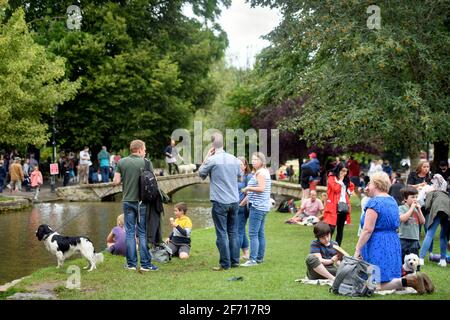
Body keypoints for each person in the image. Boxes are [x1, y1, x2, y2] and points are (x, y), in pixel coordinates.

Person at [354, 172, 434, 294]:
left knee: (372, 285)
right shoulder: (391, 201)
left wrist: (357, 249)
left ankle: (409, 281)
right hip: (392, 242)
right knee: (384, 280)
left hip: (377, 244)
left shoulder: (374, 203)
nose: (367, 186)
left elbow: (367, 230)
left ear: (376, 184)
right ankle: (411, 280)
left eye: (369, 183)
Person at [198, 132, 241, 271]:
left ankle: (225, 264)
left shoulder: (212, 160)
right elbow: (240, 176)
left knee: (222, 233)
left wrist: (206, 158)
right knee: (233, 232)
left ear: (212, 145)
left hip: (220, 201)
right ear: (223, 143)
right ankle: (235, 261)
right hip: (234, 201)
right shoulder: (233, 159)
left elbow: (200, 174)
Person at [113, 139, 158, 271]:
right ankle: (145, 264)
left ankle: (131, 264)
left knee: (129, 232)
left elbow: (116, 181)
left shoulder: (121, 162)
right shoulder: (146, 163)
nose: (145, 152)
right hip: (141, 203)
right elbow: (153, 182)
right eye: (144, 149)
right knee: (142, 233)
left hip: (127, 201)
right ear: (139, 150)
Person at [240, 152, 272, 267]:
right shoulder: (263, 172)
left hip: (257, 207)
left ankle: (252, 259)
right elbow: (252, 193)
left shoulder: (260, 173)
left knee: (253, 233)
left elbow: (261, 188)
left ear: (262, 161)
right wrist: (242, 204)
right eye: (252, 159)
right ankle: (259, 258)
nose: (253, 161)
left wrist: (248, 187)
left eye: (256, 159)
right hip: (262, 207)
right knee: (260, 233)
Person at [419, 174, 450, 267]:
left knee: (429, 234)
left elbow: (427, 205)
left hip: (437, 209)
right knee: (443, 236)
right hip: (448, 211)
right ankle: (443, 260)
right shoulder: (446, 194)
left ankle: (421, 258)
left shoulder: (431, 192)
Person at [322, 162, 354, 246]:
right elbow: (336, 189)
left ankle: (337, 249)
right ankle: (327, 246)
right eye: (343, 171)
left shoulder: (345, 180)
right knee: (331, 228)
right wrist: (340, 180)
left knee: (340, 229)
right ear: (338, 169)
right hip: (333, 206)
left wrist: (348, 192)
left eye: (346, 171)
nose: (344, 173)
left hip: (343, 206)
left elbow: (351, 187)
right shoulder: (331, 177)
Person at [398, 186, 425, 262]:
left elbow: (422, 222)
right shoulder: (401, 208)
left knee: (414, 261)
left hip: (414, 239)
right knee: (402, 261)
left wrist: (419, 209)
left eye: (416, 197)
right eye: (412, 197)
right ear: (405, 199)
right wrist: (412, 208)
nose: (415, 199)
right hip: (403, 239)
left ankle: (413, 273)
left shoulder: (416, 209)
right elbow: (403, 219)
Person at [237, 156, 252, 260]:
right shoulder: (235, 176)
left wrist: (242, 203)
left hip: (242, 207)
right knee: (240, 230)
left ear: (245, 166)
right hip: (235, 206)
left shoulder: (248, 176)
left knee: (239, 230)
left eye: (240, 164)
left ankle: (234, 253)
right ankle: (246, 253)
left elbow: (251, 192)